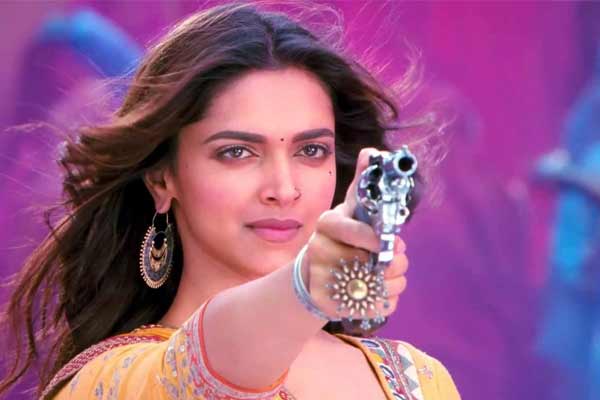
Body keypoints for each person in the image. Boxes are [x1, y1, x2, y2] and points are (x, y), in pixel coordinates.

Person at [0, 2, 460, 399]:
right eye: (237, 152)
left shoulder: (418, 380)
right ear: (162, 179)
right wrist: (305, 287)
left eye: (310, 150)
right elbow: (206, 374)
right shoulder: (117, 382)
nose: (284, 188)